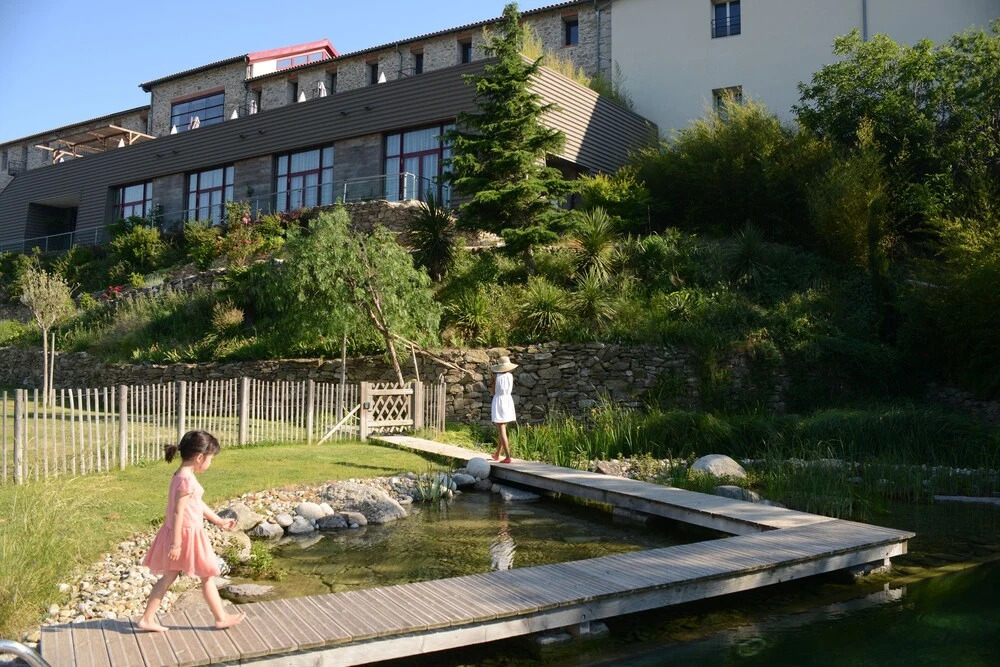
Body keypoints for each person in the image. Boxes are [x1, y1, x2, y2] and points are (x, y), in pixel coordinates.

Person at [137, 430, 245, 632]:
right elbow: (178, 512)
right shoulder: (186, 480)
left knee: (169, 577)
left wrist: (218, 521)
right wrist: (176, 544)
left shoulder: (181, 475)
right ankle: (220, 617)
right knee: (207, 576)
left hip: (180, 534)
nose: (210, 463)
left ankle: (147, 619)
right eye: (211, 459)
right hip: (186, 536)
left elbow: (197, 503)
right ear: (200, 457)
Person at [490, 355, 518, 463]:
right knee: (502, 429)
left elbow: (492, 391)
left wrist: (492, 382)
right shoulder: (510, 376)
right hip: (508, 400)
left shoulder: (495, 376)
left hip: (499, 401)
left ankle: (507, 457)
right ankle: (497, 454)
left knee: (501, 430)